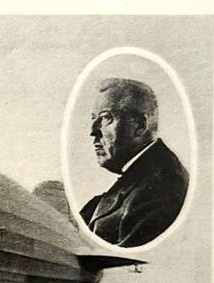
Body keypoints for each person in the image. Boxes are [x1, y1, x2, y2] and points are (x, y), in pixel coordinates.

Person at [79, 78, 189, 248]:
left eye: (106, 118)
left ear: (139, 125)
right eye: (93, 119)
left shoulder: (161, 187)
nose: (93, 132)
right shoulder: (139, 179)